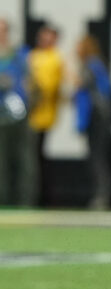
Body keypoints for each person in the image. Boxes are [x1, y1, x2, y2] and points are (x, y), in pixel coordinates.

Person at [0, 18, 37, 206]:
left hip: (19, 115)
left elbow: (30, 83)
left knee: (25, 159)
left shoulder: (20, 55)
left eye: (3, 30)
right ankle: (3, 200)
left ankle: (26, 200)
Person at [74, 34, 111, 209]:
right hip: (98, 116)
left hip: (95, 116)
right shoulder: (96, 64)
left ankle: (101, 196)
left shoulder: (90, 65)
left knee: (96, 157)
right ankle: (100, 195)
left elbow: (84, 87)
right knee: (97, 157)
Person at [27, 24, 64, 206]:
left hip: (41, 116)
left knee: (37, 158)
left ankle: (42, 197)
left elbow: (46, 88)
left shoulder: (54, 58)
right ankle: (37, 195)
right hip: (29, 115)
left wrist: (30, 90)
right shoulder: (34, 55)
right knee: (34, 158)